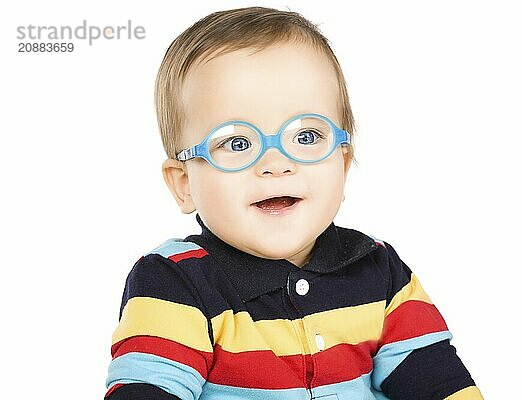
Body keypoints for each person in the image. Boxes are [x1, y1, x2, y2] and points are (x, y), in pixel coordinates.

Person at [104, 6, 483, 400]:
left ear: (343, 162)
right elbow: (146, 390)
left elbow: (438, 381)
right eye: (237, 143)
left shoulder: (379, 269)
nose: (276, 164)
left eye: (305, 137)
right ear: (184, 184)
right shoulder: (175, 282)